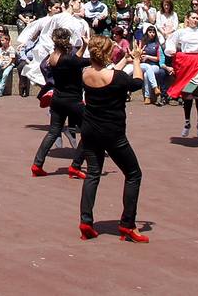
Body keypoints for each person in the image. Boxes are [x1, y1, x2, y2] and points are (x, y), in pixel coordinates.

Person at [76, 35, 147, 243]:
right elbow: (137, 82)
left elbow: (106, 71)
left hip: (90, 130)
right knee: (134, 174)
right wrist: (135, 60)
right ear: (107, 54)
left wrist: (124, 60)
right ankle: (128, 225)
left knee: (93, 174)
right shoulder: (117, 78)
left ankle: (86, 221)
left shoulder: (85, 73)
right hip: (112, 132)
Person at [32, 28, 88, 179]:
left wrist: (84, 46)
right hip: (73, 102)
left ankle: (37, 164)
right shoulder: (68, 59)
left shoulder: (53, 57)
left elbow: (75, 61)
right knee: (89, 132)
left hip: (57, 100)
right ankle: (76, 166)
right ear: (67, 40)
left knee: (53, 132)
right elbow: (85, 61)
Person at [164, 11, 198, 138]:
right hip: (186, 62)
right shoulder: (181, 32)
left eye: (197, 18)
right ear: (187, 19)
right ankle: (187, 122)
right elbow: (171, 41)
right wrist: (171, 50)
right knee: (187, 94)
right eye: (193, 18)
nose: (195, 20)